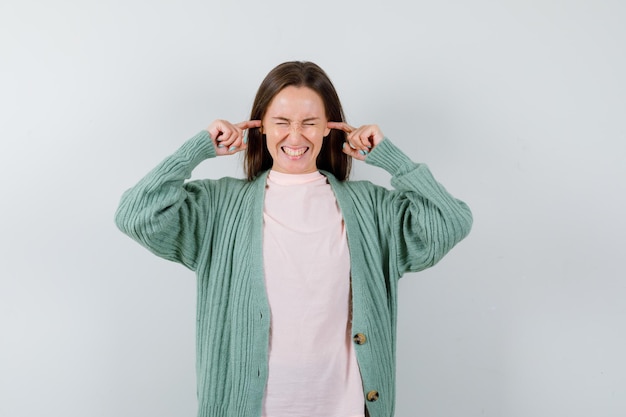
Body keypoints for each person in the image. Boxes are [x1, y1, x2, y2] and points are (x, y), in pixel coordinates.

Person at [115, 61, 472, 417]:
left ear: (329, 128)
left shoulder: (372, 209)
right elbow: (136, 215)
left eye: (310, 123)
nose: (296, 136)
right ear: (261, 127)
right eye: (282, 122)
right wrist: (196, 150)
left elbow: (450, 222)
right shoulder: (217, 208)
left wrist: (393, 160)